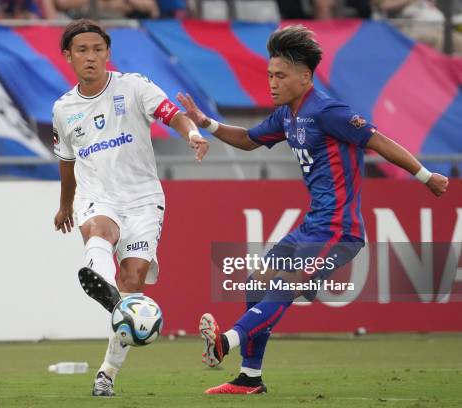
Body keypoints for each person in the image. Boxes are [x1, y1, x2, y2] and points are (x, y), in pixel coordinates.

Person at [178, 24, 448, 395]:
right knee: (256, 284)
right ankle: (250, 378)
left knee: (284, 287)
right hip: (311, 227)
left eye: (280, 76)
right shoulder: (286, 116)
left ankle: (225, 342)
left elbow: (379, 141)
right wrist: (205, 122)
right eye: (270, 74)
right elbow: (247, 140)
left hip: (339, 230)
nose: (272, 82)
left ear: (305, 77)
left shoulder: (329, 111)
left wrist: (425, 175)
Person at [52, 19, 208, 397]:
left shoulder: (134, 86)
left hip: (142, 199)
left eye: (98, 49)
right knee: (99, 230)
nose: (91, 57)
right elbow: (67, 161)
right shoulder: (64, 108)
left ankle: (106, 372)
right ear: (68, 57)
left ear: (108, 53)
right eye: (82, 51)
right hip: (97, 196)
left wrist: (191, 132)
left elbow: (172, 113)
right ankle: (107, 289)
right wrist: (64, 205)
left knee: (134, 280)